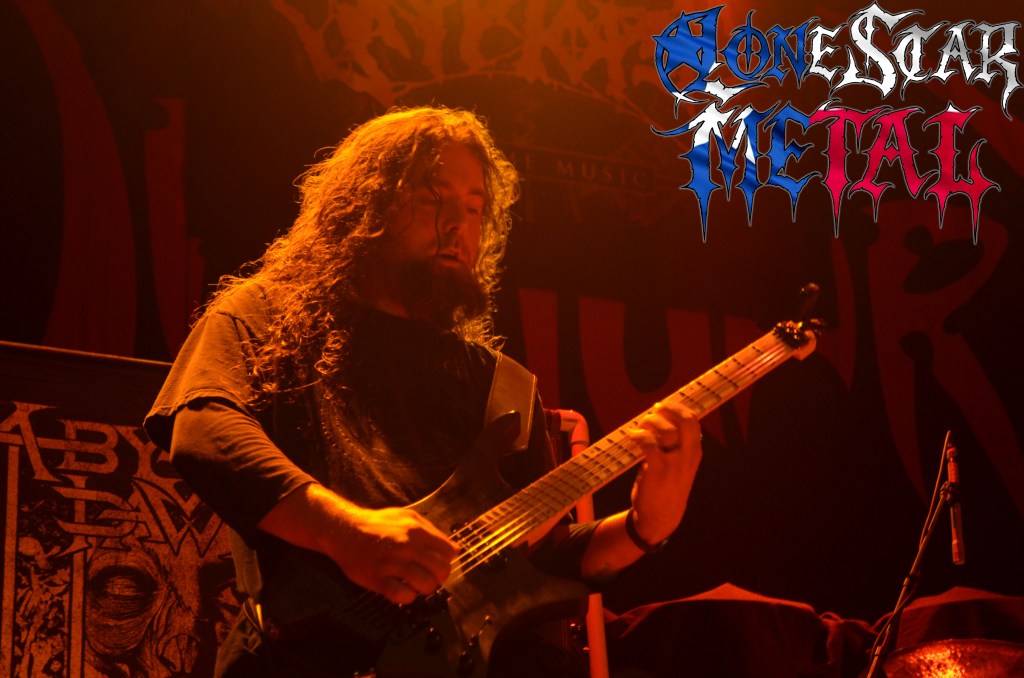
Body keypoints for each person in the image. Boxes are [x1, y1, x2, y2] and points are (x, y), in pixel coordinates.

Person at [143, 106, 702, 677]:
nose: (458, 225)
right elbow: (204, 428)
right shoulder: (267, 313)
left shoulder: (503, 385)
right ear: (365, 205)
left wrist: (645, 526)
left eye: (474, 208)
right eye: (433, 198)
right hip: (298, 659)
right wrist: (349, 533)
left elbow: (535, 558)